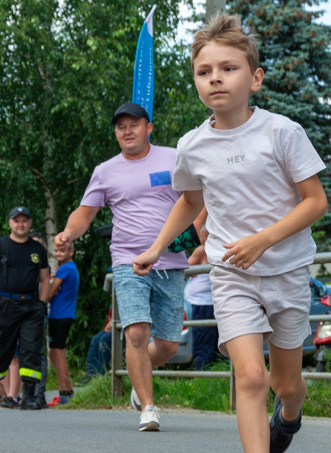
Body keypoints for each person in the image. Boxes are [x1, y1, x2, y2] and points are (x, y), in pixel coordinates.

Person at [133, 14, 328, 453]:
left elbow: (315, 201)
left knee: (287, 383)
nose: (215, 78)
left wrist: (265, 239)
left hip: (285, 269)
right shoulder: (193, 145)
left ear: (255, 78)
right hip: (229, 271)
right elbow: (190, 201)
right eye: (203, 71)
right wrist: (156, 247)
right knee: (251, 375)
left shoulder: (283, 132)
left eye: (228, 68)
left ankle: (289, 418)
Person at [55, 102, 188, 431]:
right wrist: (67, 234)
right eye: (120, 127)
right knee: (137, 332)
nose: (127, 131)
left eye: (134, 125)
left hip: (170, 260)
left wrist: (197, 238)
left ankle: (136, 378)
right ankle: (148, 406)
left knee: (169, 344)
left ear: (149, 128)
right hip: (128, 261)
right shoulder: (106, 170)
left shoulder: (173, 158)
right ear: (116, 133)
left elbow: (195, 200)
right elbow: (85, 213)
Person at [0, 206, 50, 410]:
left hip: (31, 306)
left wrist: (42, 304)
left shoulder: (37, 249)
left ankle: (29, 397)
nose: (20, 224)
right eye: (16, 220)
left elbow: (45, 279)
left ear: (30, 223)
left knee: (31, 350)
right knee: (1, 349)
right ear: (10, 223)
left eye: (24, 220)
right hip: (5, 305)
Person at [47, 241, 79, 406]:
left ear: (71, 252)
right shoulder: (69, 268)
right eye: (57, 251)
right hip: (63, 315)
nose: (59, 253)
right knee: (53, 353)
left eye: (62, 250)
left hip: (60, 315)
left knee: (58, 353)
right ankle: (68, 389)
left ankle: (64, 393)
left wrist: (50, 286)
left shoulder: (65, 268)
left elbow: (49, 293)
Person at [185, 245, 222, 369]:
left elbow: (184, 271)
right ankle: (206, 376)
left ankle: (205, 375)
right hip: (205, 304)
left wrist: (193, 270)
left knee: (207, 344)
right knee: (209, 344)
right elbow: (185, 271)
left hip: (208, 303)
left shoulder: (205, 249)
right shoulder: (205, 250)